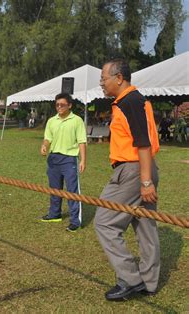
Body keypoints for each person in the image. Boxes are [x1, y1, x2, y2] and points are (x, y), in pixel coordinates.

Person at [95, 59, 160, 301]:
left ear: (119, 78)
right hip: (142, 168)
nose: (102, 83)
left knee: (104, 221)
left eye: (104, 79)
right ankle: (149, 283)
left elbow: (142, 142)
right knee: (145, 226)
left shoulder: (129, 101)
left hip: (134, 171)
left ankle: (131, 279)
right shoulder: (135, 100)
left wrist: (145, 182)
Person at [40, 93, 87, 232]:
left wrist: (83, 160)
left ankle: (75, 221)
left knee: (72, 190)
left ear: (70, 105)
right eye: (57, 105)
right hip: (53, 159)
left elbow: (82, 142)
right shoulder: (51, 121)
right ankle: (55, 214)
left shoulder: (77, 120)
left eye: (62, 104)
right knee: (54, 189)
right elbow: (48, 138)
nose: (59, 107)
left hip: (69, 160)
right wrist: (44, 145)